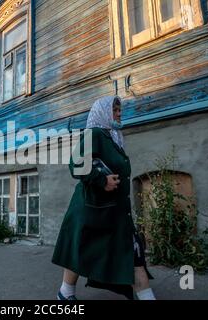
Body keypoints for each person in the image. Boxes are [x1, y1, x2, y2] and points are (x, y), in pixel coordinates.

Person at [51, 95, 156, 300]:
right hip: (91, 209)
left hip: (113, 211)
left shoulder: (114, 137)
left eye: (119, 110)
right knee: (81, 251)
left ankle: (65, 293)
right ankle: (65, 293)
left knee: (130, 256)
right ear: (103, 112)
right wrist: (102, 180)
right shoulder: (95, 134)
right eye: (114, 110)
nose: (118, 114)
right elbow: (77, 165)